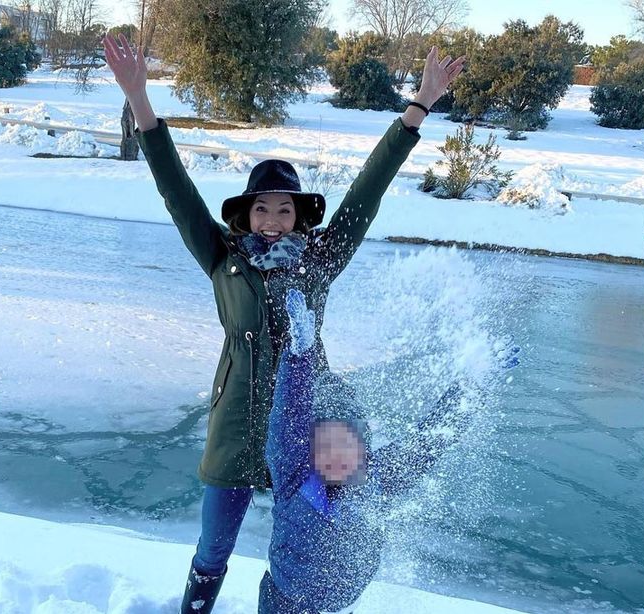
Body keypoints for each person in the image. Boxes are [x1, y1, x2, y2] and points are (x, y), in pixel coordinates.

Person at [102, 33, 466, 613]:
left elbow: (364, 197)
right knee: (213, 545)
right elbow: (176, 191)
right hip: (238, 424)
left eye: (284, 208)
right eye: (262, 208)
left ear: (300, 217)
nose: (272, 220)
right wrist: (139, 100)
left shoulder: (319, 264)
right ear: (247, 214)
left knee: (318, 549)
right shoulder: (222, 258)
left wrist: (416, 109)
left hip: (306, 431)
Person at [260, 289, 519, 613]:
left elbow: (430, 439)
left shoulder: (377, 477)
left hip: (343, 607)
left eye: (346, 442)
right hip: (285, 605)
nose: (336, 453)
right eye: (324, 444)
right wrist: (299, 355)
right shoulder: (294, 476)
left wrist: (476, 383)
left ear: (363, 445)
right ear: (309, 449)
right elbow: (288, 418)